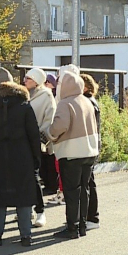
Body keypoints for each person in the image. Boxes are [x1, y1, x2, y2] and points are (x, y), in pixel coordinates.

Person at [0, 71, 41, 247]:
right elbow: (34, 134)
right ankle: (26, 235)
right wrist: (36, 157)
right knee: (24, 194)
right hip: (22, 154)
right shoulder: (24, 104)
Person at [47, 71, 99, 239]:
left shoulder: (65, 103)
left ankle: (72, 227)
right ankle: (82, 225)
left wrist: (50, 134)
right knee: (85, 190)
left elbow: (59, 127)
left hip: (71, 153)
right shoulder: (87, 101)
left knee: (71, 192)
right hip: (88, 151)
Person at [24, 67, 56, 228]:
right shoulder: (25, 95)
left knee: (35, 178)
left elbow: (49, 120)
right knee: (23, 177)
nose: (24, 81)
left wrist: (41, 139)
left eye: (28, 78)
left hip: (36, 142)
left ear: (36, 80)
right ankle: (26, 210)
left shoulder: (46, 95)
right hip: (22, 143)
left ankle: (40, 211)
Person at [81, 73, 101, 231]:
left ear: (86, 87)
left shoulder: (87, 101)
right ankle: (87, 216)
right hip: (92, 144)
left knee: (88, 183)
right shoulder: (90, 100)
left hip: (89, 145)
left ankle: (92, 217)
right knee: (88, 182)